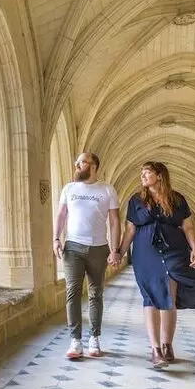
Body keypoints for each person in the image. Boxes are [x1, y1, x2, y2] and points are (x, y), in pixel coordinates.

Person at [110, 161, 195, 368]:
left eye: (147, 173)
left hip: (174, 250)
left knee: (169, 297)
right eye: (141, 173)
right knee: (150, 297)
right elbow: (130, 230)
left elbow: (188, 226)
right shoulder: (137, 200)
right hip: (145, 253)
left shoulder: (177, 199)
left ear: (160, 175)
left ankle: (167, 344)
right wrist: (118, 252)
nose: (142, 177)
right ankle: (155, 349)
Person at [54, 152, 120, 359]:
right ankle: (75, 340)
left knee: (96, 293)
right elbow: (61, 215)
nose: (77, 166)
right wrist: (56, 238)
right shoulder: (69, 188)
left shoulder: (107, 190)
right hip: (73, 247)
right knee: (72, 292)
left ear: (93, 166)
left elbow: (115, 221)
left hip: (99, 248)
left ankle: (94, 338)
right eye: (77, 163)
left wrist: (115, 249)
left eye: (82, 163)